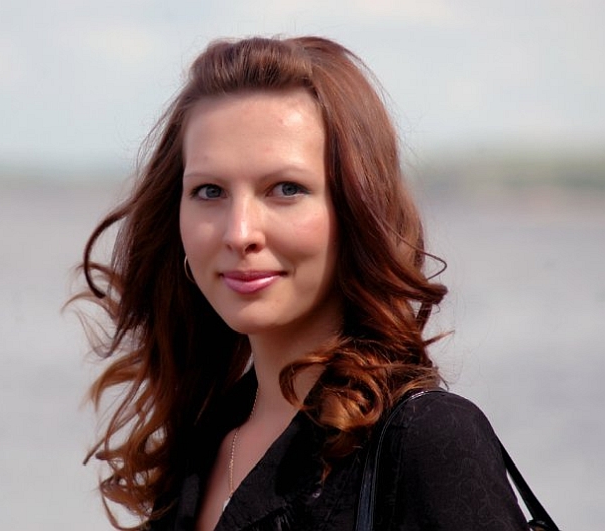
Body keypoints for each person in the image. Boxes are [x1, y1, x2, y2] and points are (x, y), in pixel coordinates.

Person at [72, 36, 529, 530]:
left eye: (286, 189)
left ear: (357, 209)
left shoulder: (427, 439)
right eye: (209, 191)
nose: (239, 233)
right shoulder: (199, 442)